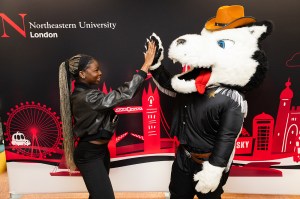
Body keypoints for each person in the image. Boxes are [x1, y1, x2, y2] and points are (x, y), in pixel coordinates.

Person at [58, 41, 156, 199]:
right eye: (96, 70)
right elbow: (124, 94)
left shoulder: (88, 93)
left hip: (100, 152)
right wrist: (145, 67)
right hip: (89, 155)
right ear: (82, 74)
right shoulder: (88, 97)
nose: (100, 73)